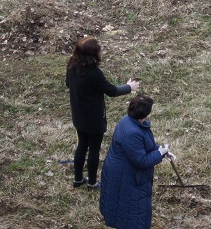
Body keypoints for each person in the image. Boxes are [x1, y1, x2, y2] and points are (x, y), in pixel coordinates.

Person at [66, 37, 140, 187]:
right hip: (94, 118)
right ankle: (92, 183)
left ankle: (78, 179)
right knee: (94, 149)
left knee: (82, 145)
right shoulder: (94, 73)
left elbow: (68, 84)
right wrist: (129, 87)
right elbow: (111, 91)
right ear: (93, 54)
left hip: (78, 115)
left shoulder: (71, 66)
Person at [99, 95, 173, 229]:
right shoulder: (132, 133)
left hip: (124, 172)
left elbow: (142, 146)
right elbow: (141, 160)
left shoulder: (129, 121)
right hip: (126, 177)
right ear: (145, 114)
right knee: (130, 215)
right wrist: (159, 153)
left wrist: (161, 151)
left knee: (127, 213)